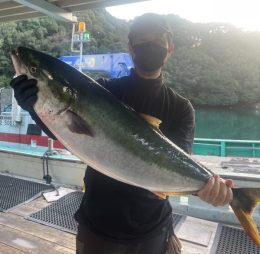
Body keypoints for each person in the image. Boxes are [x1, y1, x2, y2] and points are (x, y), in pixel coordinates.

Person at [10, 13, 233, 254]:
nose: (150, 46)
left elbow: (176, 167)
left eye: (158, 40)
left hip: (154, 228)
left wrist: (209, 189)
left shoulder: (181, 108)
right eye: (142, 41)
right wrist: (34, 107)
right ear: (131, 48)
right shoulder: (104, 91)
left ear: (170, 48)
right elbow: (68, 134)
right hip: (99, 225)